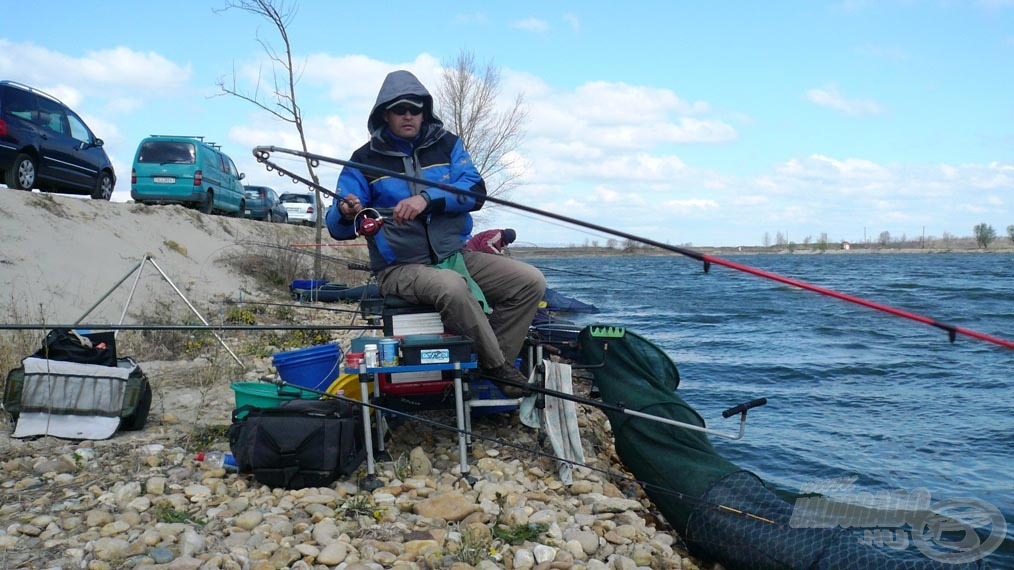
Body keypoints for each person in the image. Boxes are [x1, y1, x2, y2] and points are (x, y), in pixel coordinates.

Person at [325, 70, 546, 397]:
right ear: (385, 114)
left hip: (454, 256)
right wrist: (345, 212)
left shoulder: (448, 145)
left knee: (530, 281)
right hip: (398, 268)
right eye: (400, 109)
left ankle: (490, 361)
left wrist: (427, 199)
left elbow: (475, 192)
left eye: (415, 109)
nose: (408, 115)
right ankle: (500, 369)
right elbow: (336, 225)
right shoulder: (363, 160)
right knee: (452, 287)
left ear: (424, 112)